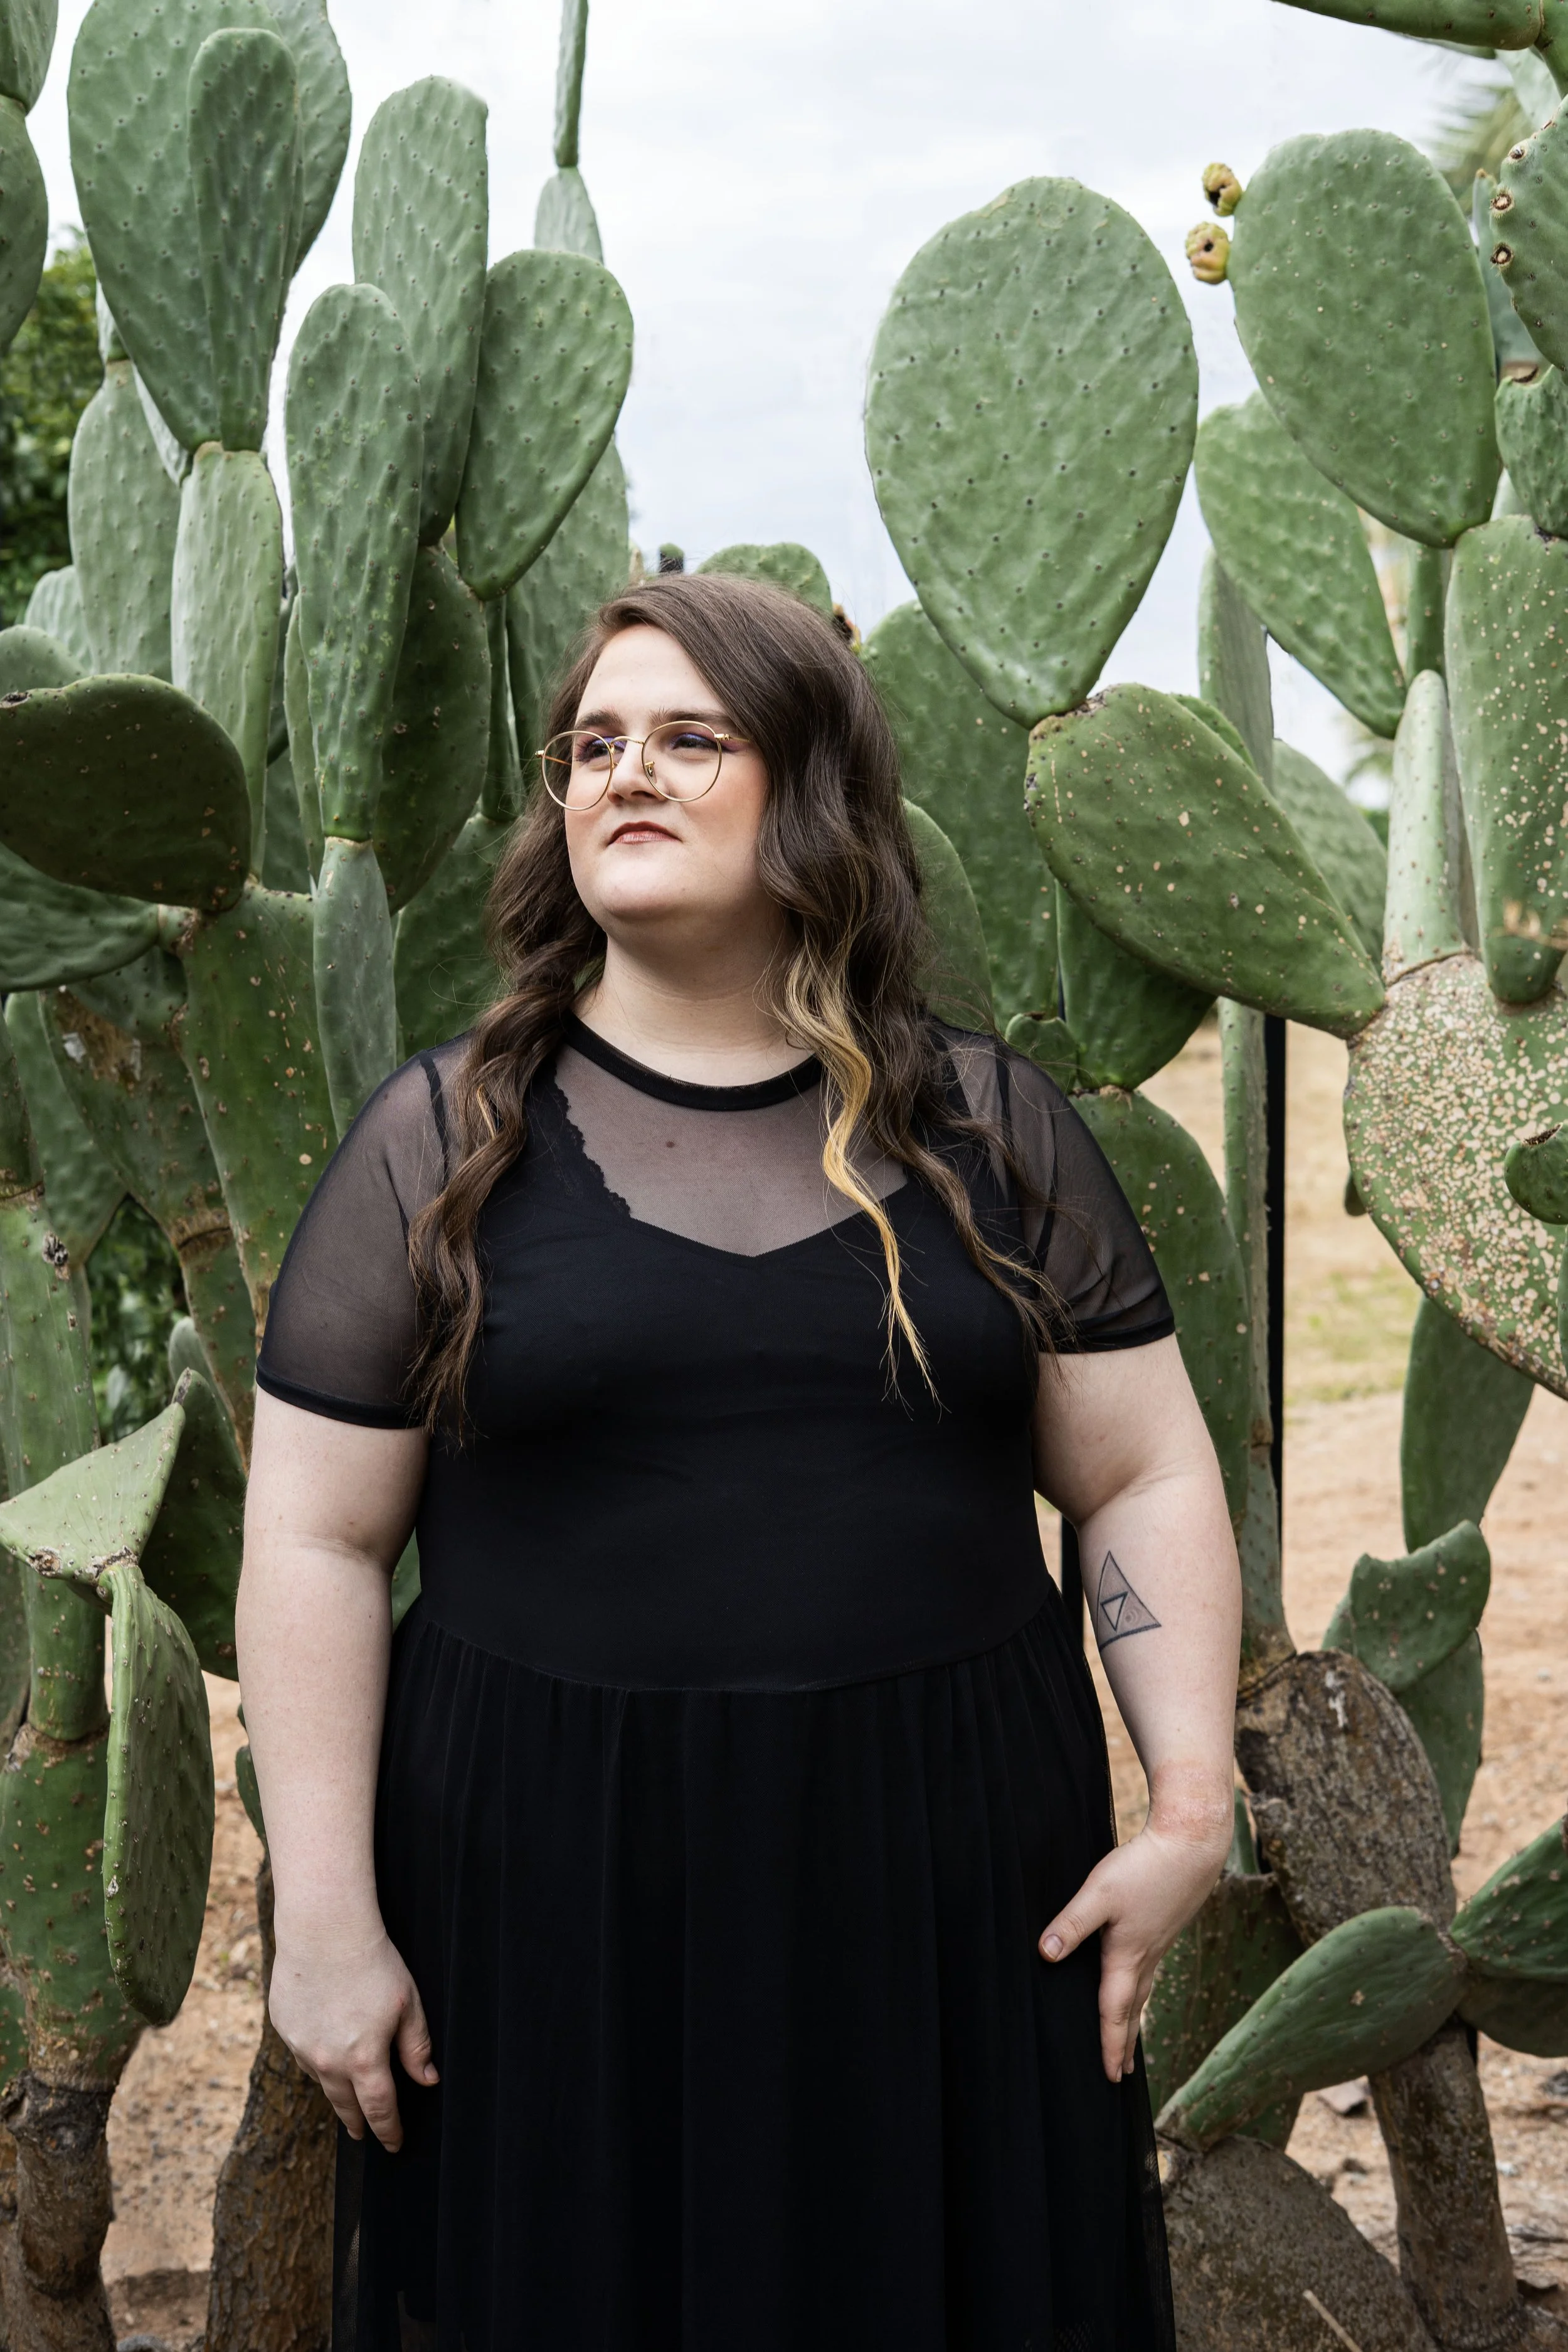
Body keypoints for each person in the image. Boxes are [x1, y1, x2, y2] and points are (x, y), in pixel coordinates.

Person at [238, 571, 1241, 2352]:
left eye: (691, 737)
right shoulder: (439, 1139)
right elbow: (316, 1536)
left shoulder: (987, 1130)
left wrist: (1183, 1809)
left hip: (944, 1877)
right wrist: (321, 1913)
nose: (626, 768)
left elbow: (1140, 1471)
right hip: (547, 1885)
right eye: (593, 742)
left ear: (816, 790)